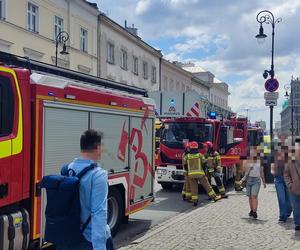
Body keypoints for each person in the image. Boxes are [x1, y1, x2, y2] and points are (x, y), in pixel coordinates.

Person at [60, 129, 115, 250]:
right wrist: (99, 247)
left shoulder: (66, 169)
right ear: (97, 147)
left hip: (70, 236)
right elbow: (99, 213)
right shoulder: (98, 175)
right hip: (89, 240)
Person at [182, 141, 221, 206]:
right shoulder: (200, 155)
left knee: (193, 188)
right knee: (207, 186)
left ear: (190, 148)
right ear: (197, 147)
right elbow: (204, 163)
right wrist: (203, 170)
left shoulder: (187, 156)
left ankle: (195, 201)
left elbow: (185, 166)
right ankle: (214, 197)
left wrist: (189, 172)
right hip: (200, 174)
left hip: (191, 174)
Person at [241, 146, 266, 219]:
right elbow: (243, 170)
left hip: (256, 180)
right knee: (250, 197)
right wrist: (248, 166)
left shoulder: (259, 161)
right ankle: (251, 210)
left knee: (254, 196)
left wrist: (264, 182)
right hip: (248, 180)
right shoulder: (247, 160)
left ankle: (255, 211)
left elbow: (261, 171)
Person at [271, 136, 292, 222]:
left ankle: (287, 211)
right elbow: (271, 162)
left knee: (289, 198)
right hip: (278, 178)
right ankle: (282, 216)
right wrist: (272, 170)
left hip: (287, 178)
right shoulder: (275, 152)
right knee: (281, 197)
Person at [284, 141, 300, 231]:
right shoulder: (290, 161)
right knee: (296, 207)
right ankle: (298, 224)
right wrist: (290, 185)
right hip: (294, 188)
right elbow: (286, 174)